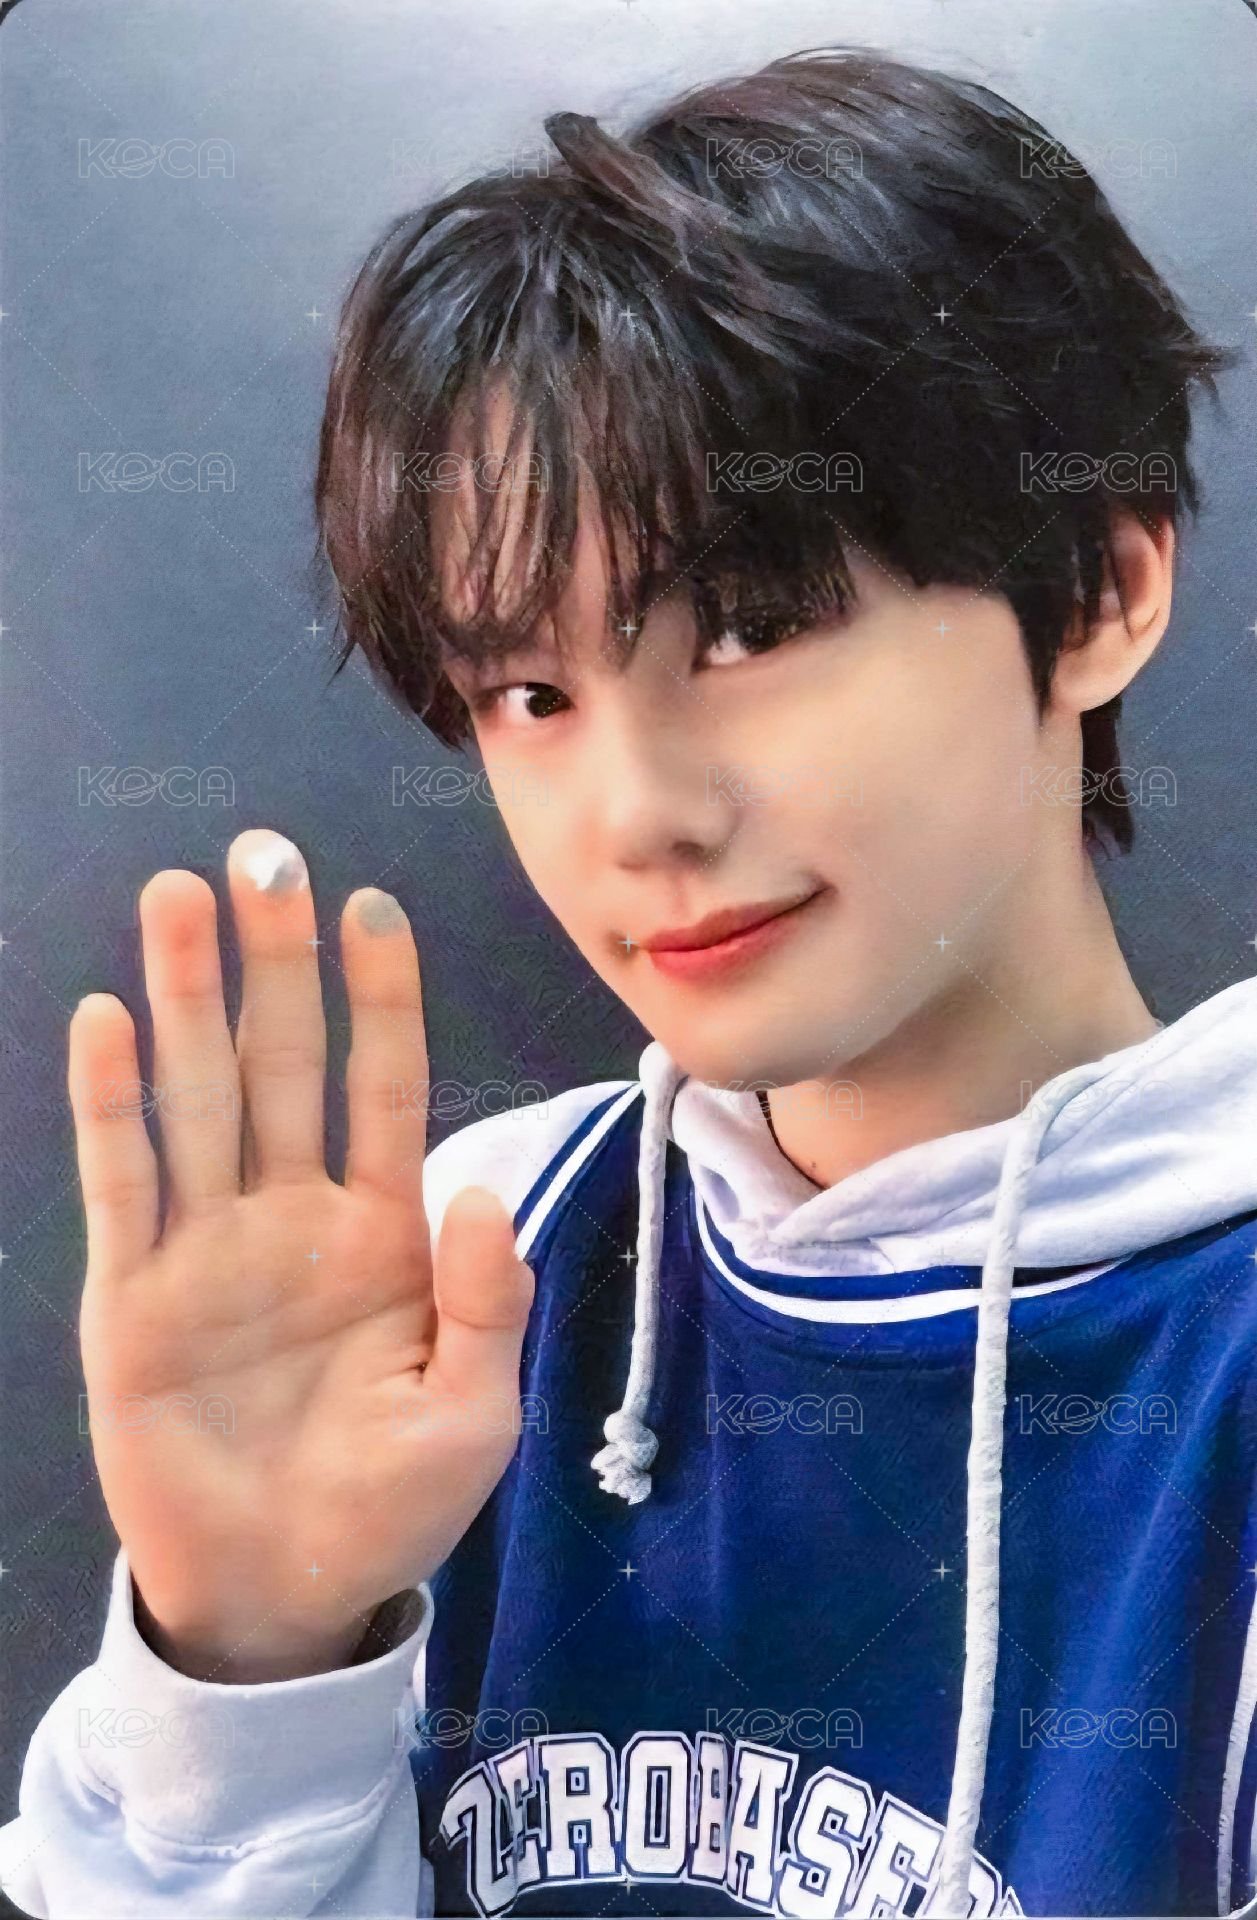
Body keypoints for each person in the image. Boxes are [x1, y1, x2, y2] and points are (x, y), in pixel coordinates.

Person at [2, 44, 1254, 1920]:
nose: (636, 814)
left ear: (1094, 593)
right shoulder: (474, 1274)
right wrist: (247, 1671)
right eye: (530, 693)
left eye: (750, 626)